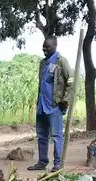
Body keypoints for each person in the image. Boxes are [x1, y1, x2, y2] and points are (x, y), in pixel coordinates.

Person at [28, 37, 72, 172]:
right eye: (43, 47)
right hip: (42, 105)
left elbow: (71, 82)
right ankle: (42, 162)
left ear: (55, 46)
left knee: (57, 136)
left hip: (54, 106)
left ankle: (57, 163)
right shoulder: (43, 63)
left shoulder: (61, 61)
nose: (44, 49)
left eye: (47, 47)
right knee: (41, 136)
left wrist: (65, 101)